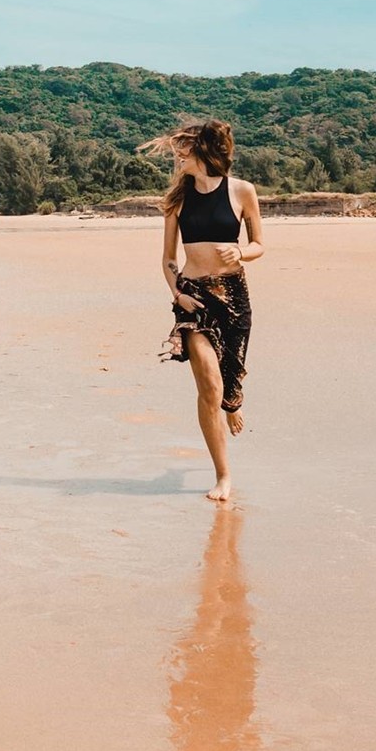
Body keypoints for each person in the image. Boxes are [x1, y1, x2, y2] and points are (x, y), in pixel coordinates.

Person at [140, 120, 263, 502]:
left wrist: (240, 251)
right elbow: (166, 259)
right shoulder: (178, 199)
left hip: (233, 297)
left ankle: (232, 402)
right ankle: (223, 476)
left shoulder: (242, 191)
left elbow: (259, 244)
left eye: (183, 149)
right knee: (209, 384)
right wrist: (178, 294)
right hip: (193, 298)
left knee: (230, 380)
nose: (177, 157)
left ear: (204, 151)